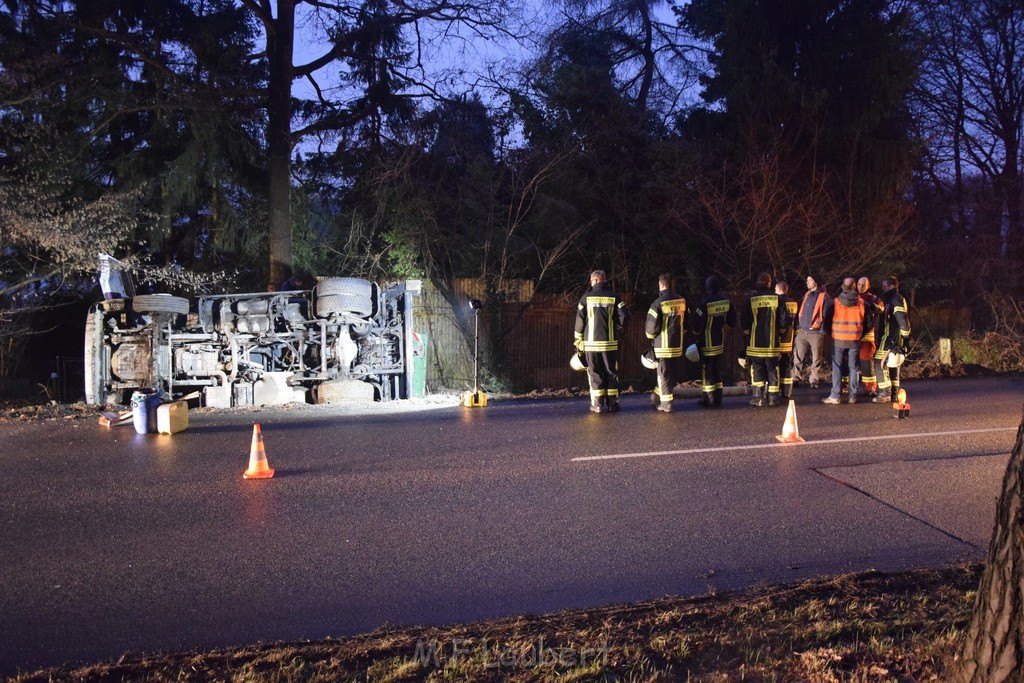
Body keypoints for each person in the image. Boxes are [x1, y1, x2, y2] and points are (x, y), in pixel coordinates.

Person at [574, 270, 627, 414]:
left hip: (591, 344)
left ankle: (597, 405)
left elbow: (580, 320)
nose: (591, 284)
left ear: (596, 280)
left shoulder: (585, 298)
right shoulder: (615, 297)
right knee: (611, 372)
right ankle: (613, 404)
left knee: (595, 373)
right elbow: (624, 318)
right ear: (605, 280)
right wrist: (617, 330)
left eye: (591, 281)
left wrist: (578, 340)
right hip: (610, 344)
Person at [741, 272, 789, 407]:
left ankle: (758, 397)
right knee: (773, 369)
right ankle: (773, 398)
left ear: (758, 282)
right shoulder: (778, 299)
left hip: (755, 344)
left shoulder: (750, 299)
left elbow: (744, 321)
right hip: (772, 344)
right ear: (769, 283)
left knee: (757, 370)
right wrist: (780, 332)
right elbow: (784, 320)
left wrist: (746, 334)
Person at [822, 278, 872, 404]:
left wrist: (832, 333)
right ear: (854, 287)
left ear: (843, 287)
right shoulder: (863, 303)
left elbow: (826, 322)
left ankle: (835, 396)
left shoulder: (835, 303)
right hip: (855, 339)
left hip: (838, 339)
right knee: (853, 367)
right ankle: (852, 396)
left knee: (837, 366)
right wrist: (859, 333)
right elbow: (869, 323)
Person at [644, 273, 686, 412]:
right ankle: (656, 396)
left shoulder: (658, 303)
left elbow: (651, 330)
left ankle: (666, 404)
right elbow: (686, 324)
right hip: (677, 345)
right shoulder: (682, 301)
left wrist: (651, 338)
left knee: (662, 374)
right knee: (670, 374)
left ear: (661, 285)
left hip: (663, 346)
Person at [692, 276, 735, 408]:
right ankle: (718, 398)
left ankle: (709, 399)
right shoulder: (726, 301)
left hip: (707, 343)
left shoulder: (704, 303)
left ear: (707, 288)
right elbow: (732, 319)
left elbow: (696, 324)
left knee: (707, 371)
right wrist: (725, 329)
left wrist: (696, 335)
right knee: (717, 370)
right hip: (720, 343)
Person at [872, 275, 911, 403]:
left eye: (885, 286)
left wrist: (905, 336)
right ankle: (894, 392)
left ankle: (884, 392)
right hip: (893, 336)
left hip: (890, 337)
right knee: (893, 364)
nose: (883, 288)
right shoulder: (892, 299)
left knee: (879, 362)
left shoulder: (896, 299)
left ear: (892, 286)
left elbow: (902, 319)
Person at [792, 275, 831, 389]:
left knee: (816, 358)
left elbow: (827, 315)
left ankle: (814, 379)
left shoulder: (824, 297)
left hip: (816, 332)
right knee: (798, 356)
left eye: (809, 280)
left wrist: (822, 331)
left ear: (816, 282)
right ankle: (796, 377)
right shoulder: (808, 294)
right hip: (803, 331)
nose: (807, 282)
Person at [857, 277, 882, 396]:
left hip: (867, 336)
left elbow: (881, 309)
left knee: (866, 361)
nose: (861, 286)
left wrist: (869, 305)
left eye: (863, 285)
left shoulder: (873, 298)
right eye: (859, 284)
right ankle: (844, 386)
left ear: (868, 286)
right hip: (852, 335)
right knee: (846, 361)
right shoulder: (851, 296)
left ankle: (870, 388)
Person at [775, 281, 798, 400]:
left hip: (778, 339)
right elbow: (796, 324)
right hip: (789, 340)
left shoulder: (777, 302)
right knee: (787, 365)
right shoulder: (794, 303)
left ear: (778, 289)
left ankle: (776, 389)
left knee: (775, 365)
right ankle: (787, 391)